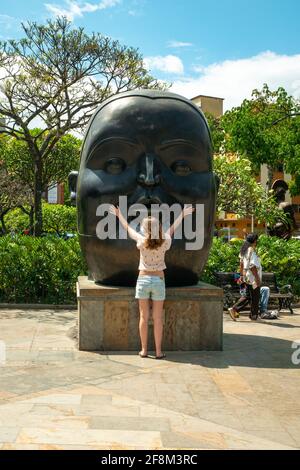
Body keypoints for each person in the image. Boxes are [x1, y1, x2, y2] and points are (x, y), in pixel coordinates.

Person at [109, 205, 194, 359]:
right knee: (158, 318)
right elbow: (173, 228)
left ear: (145, 229)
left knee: (143, 316)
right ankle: (159, 351)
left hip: (143, 280)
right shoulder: (165, 240)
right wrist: (183, 214)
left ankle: (143, 350)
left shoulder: (141, 241)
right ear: (158, 228)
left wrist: (118, 214)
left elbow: (127, 228)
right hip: (159, 280)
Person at [228, 233, 262, 321]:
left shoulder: (243, 250)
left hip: (247, 276)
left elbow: (241, 264)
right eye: (256, 240)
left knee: (248, 295)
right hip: (253, 277)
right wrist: (257, 278)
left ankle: (236, 310)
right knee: (255, 296)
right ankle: (252, 315)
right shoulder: (252, 251)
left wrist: (242, 276)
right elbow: (252, 266)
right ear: (254, 241)